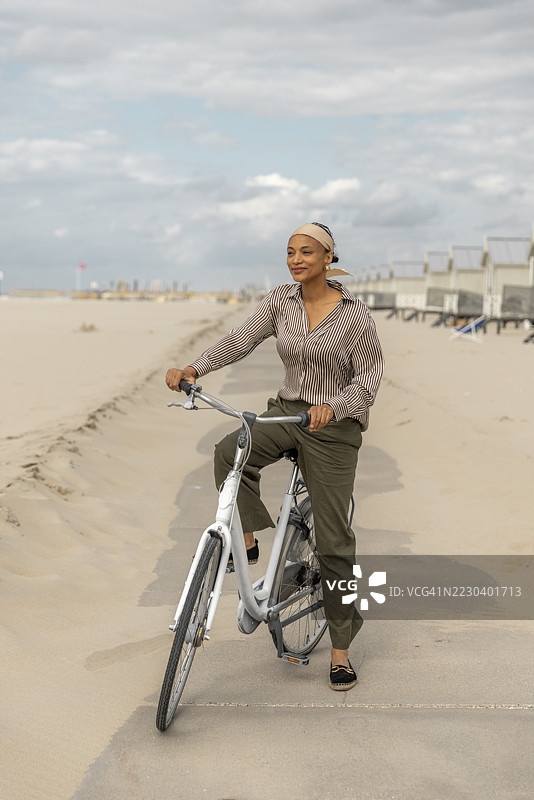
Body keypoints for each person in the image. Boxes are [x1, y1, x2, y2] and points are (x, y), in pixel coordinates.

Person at [165, 222, 384, 691]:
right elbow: (240, 339)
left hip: (333, 427)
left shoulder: (356, 314)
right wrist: (193, 367)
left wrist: (335, 406)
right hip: (286, 412)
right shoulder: (281, 301)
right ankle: (247, 543)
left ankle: (341, 650)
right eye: (290, 252)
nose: (296, 259)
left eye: (307, 252)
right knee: (230, 453)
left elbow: (368, 379)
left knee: (334, 543)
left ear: (328, 258)